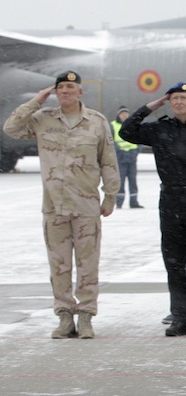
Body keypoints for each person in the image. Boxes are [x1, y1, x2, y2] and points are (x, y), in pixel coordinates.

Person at [3, 70, 120, 339]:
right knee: (59, 265)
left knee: (88, 264)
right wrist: (37, 101)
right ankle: (65, 316)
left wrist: (110, 196)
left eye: (70, 87)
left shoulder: (97, 122)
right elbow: (11, 128)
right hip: (54, 207)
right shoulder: (43, 120)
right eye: (60, 88)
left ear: (81, 92)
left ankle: (87, 316)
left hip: (87, 206)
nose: (65, 91)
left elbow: (108, 161)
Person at [119, 82, 186, 337]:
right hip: (171, 201)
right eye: (174, 98)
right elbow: (126, 131)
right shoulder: (160, 129)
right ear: (169, 102)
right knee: (174, 263)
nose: (179, 102)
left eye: (183, 98)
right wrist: (149, 107)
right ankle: (179, 316)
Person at [110, 106, 143, 209]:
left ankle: (134, 202)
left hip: (132, 157)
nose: (124, 115)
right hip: (121, 158)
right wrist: (120, 152)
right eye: (122, 114)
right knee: (120, 181)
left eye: (126, 113)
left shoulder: (133, 125)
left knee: (133, 181)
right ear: (118, 115)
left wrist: (135, 151)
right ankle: (119, 202)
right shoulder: (113, 125)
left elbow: (140, 140)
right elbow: (111, 141)